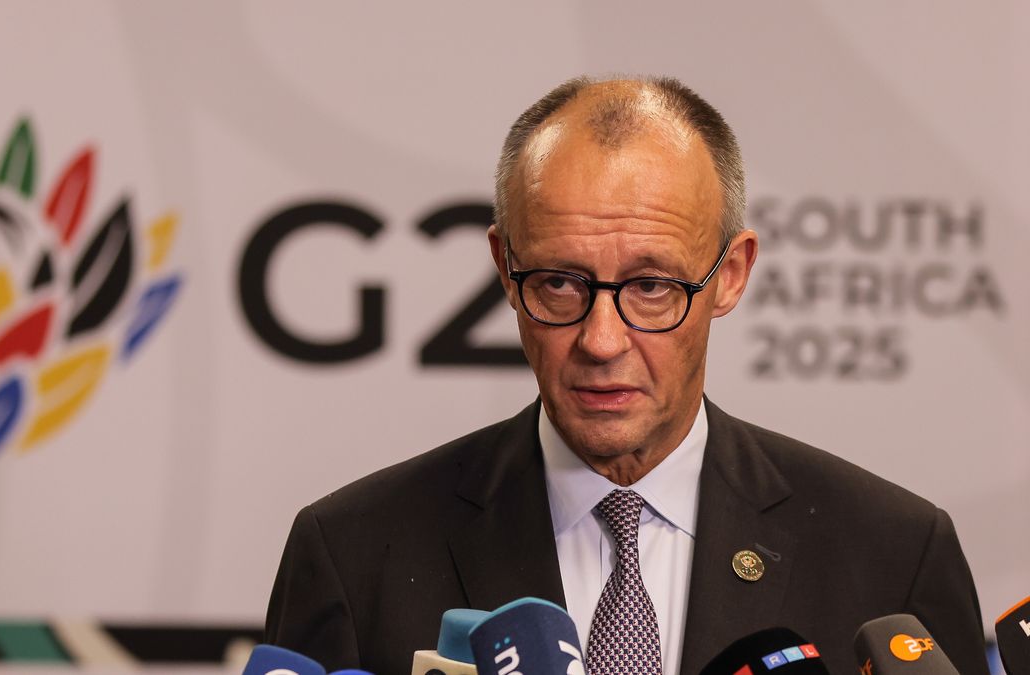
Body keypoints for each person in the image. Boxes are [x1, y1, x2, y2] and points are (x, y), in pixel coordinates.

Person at [264, 76, 987, 675]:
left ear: (730, 275)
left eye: (650, 286)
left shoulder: (893, 554)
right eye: (558, 283)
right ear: (505, 271)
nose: (601, 340)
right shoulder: (354, 554)